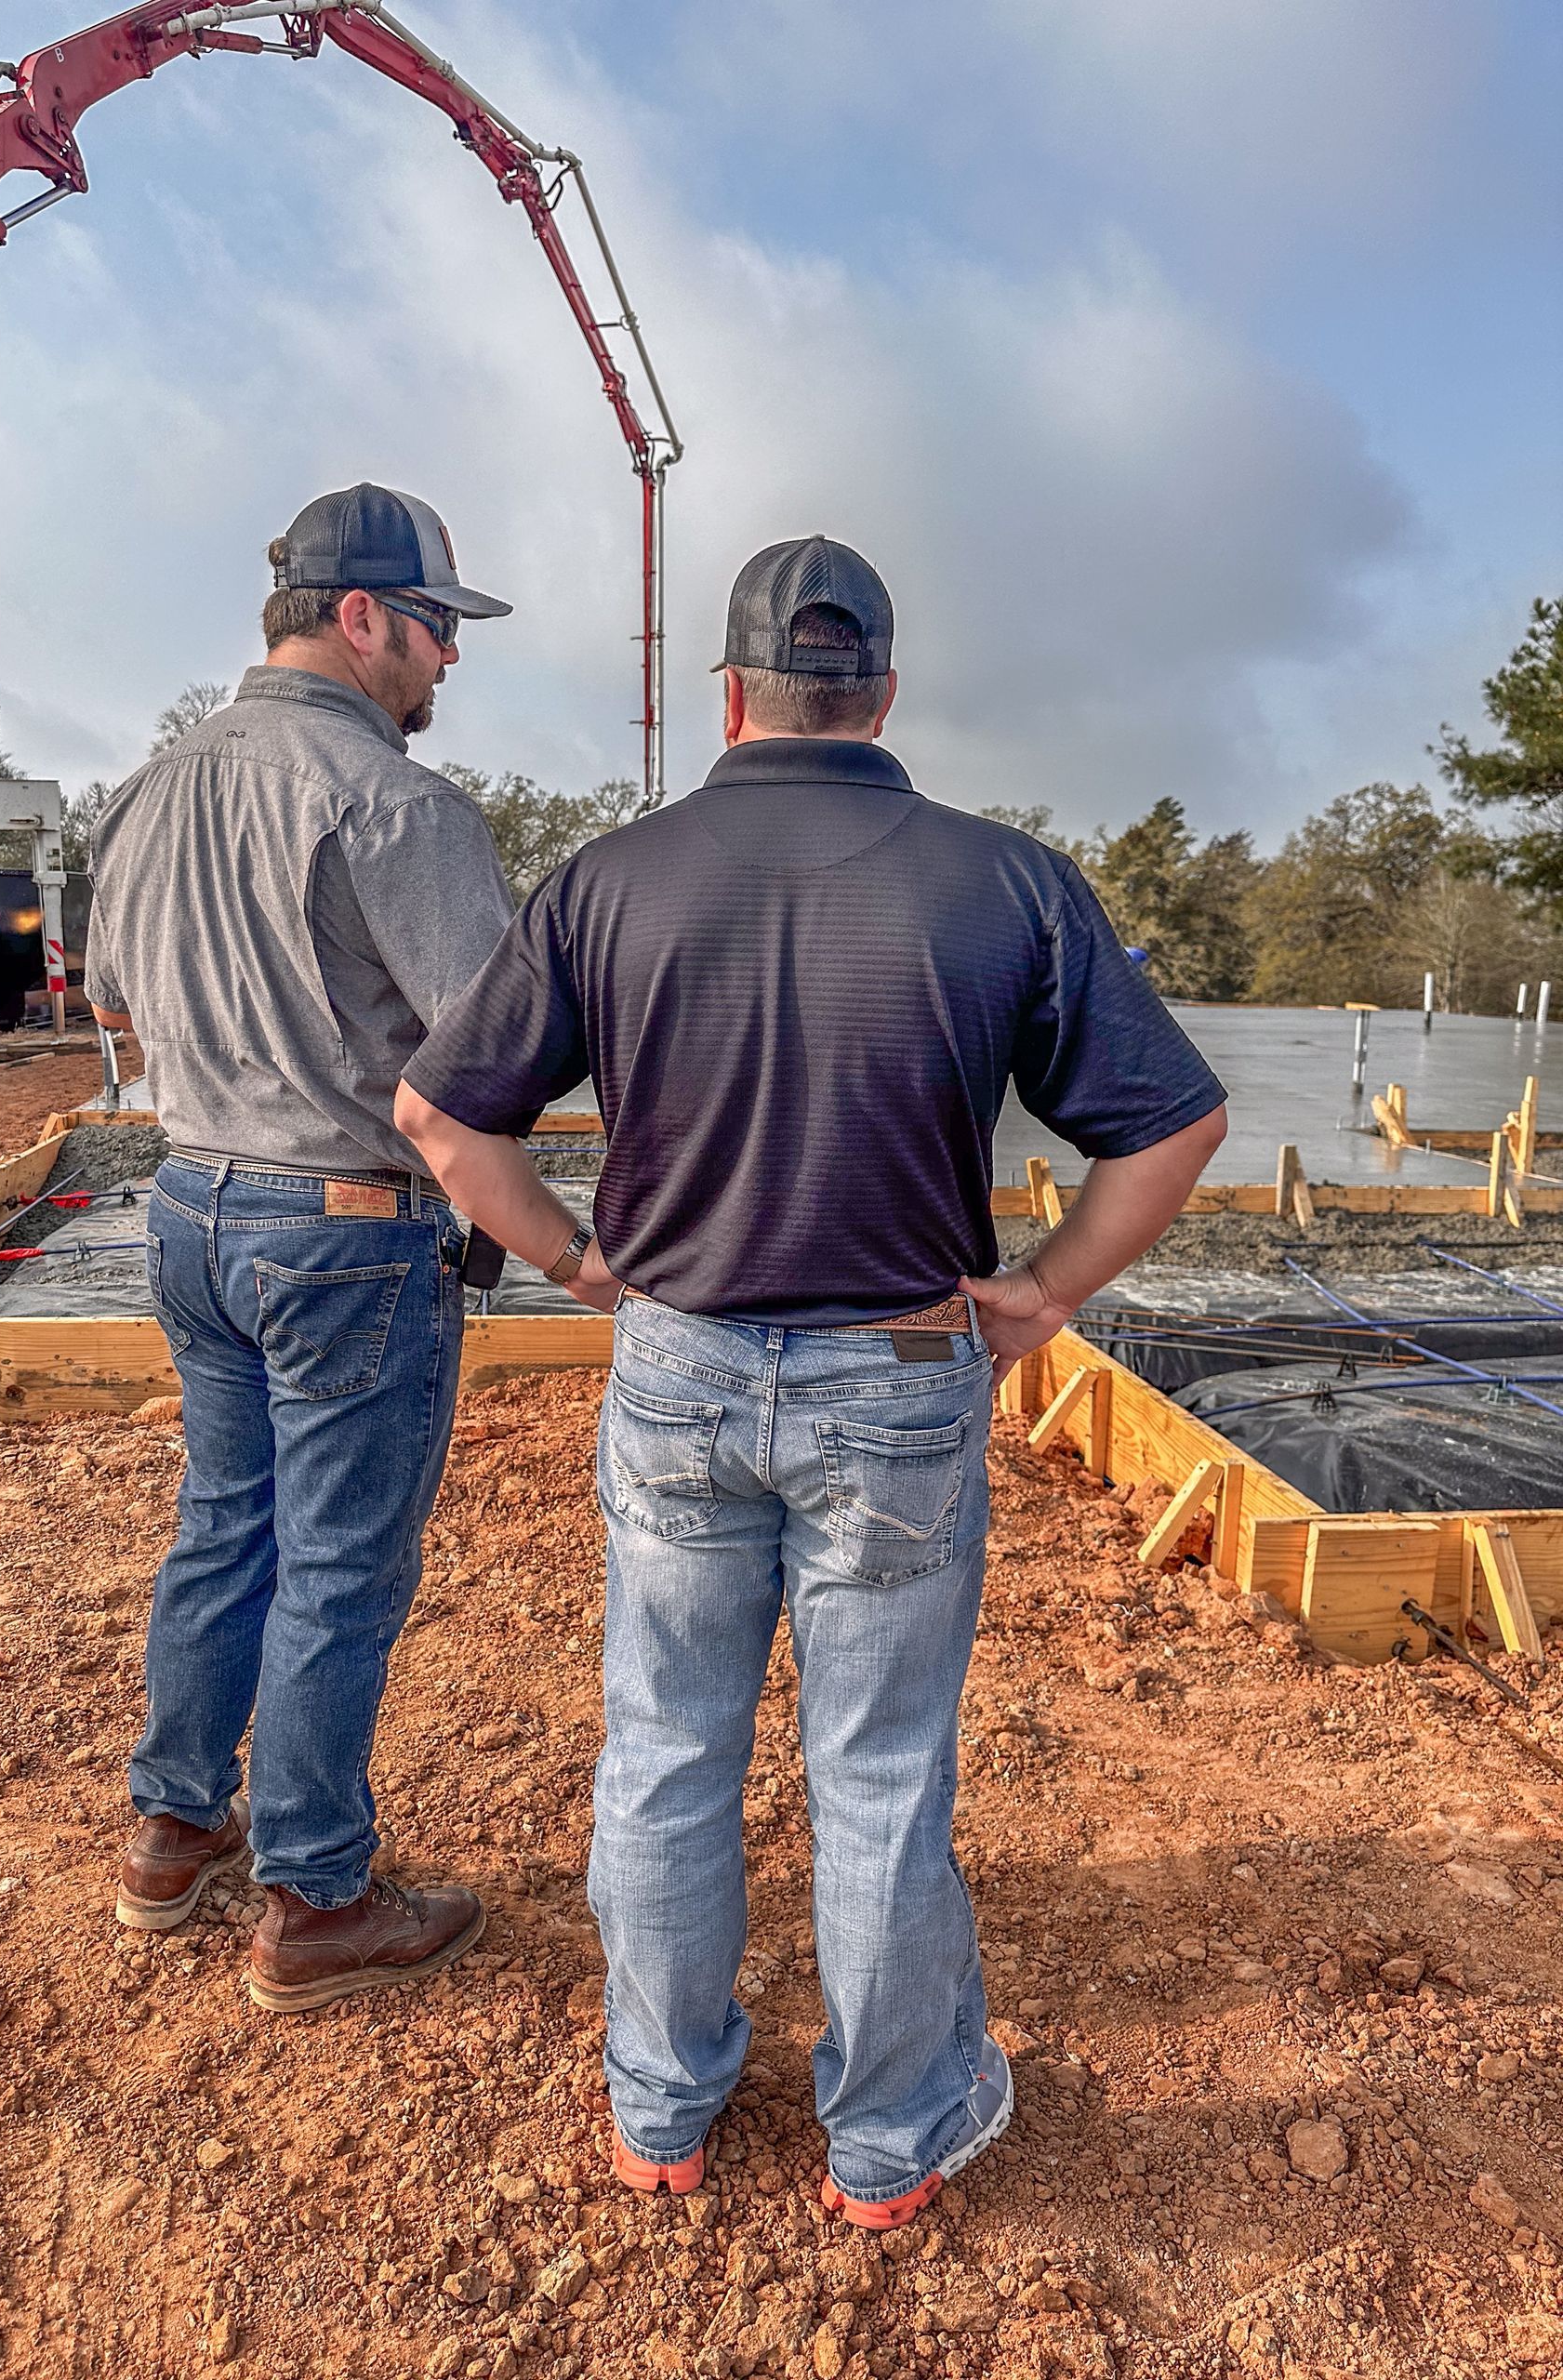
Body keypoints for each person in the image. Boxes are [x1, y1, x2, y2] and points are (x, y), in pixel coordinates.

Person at [394, 534, 1227, 2228]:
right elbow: (1176, 1120)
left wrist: (573, 1261)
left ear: (731, 691)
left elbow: (438, 1115)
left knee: (667, 1749)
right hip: (902, 1378)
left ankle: (661, 2112)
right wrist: (1049, 1293)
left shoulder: (611, 880)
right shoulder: (1005, 882)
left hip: (682, 1371)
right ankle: (890, 2142)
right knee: (879, 1769)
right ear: (885, 694)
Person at [86, 483, 517, 2010]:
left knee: (225, 1522)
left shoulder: (153, 785)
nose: (445, 663)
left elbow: (120, 1004)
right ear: (360, 620)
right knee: (340, 1564)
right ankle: (318, 1897)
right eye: (435, 630)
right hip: (339, 1227)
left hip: (189, 1202)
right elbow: (493, 1055)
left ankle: (176, 1827)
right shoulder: (397, 805)